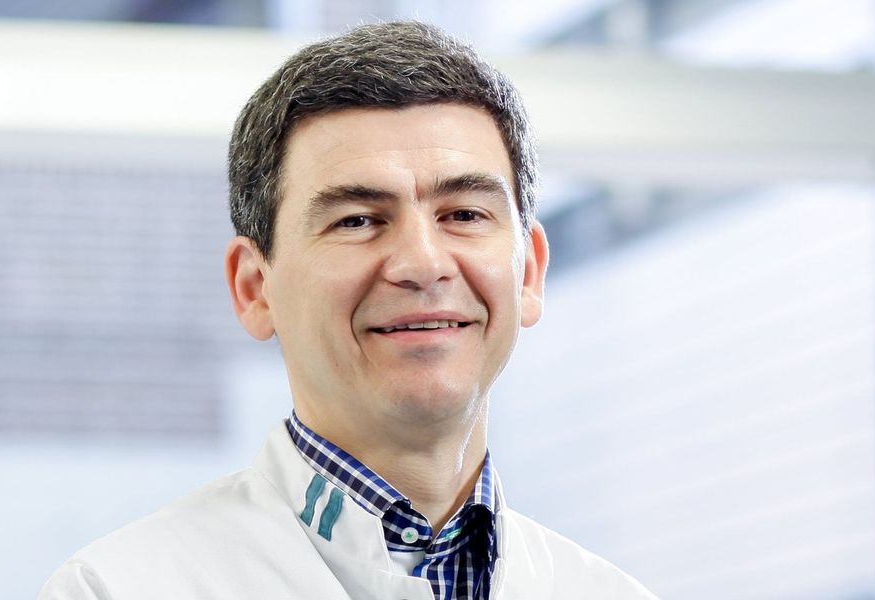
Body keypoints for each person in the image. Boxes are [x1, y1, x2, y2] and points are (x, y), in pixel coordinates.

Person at [39, 21, 656, 600]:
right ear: (255, 288)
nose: (423, 263)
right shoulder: (115, 588)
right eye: (357, 220)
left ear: (528, 272)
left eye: (464, 215)